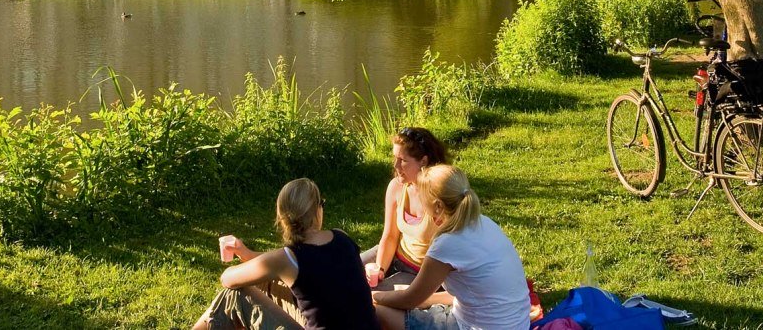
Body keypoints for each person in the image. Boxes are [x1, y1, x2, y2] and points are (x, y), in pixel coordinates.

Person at [194, 178, 378, 330]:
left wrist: (241, 263)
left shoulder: (288, 260)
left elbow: (227, 279)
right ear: (317, 210)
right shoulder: (342, 238)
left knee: (233, 295)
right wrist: (247, 254)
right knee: (269, 282)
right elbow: (280, 265)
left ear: (282, 217)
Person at [373, 165, 531, 330]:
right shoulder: (484, 222)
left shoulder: (447, 244)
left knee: (377, 311)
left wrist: (375, 296)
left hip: (472, 325)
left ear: (438, 206)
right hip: (518, 324)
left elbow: (410, 299)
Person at [364, 127, 449, 291]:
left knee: (369, 297)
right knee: (343, 272)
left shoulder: (439, 198)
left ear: (423, 161)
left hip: (419, 272)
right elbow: (389, 236)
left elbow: (447, 257)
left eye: (402, 160)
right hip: (396, 253)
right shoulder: (396, 187)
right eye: (395, 158)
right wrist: (380, 268)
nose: (396, 165)